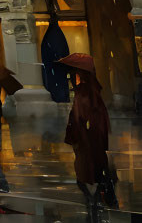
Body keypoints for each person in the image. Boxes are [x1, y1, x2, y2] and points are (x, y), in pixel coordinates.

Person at [61, 54, 116, 218]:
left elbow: (81, 117)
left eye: (73, 73)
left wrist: (78, 133)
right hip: (91, 139)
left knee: (86, 173)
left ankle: (94, 199)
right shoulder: (90, 90)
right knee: (92, 172)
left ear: (81, 74)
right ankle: (95, 198)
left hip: (87, 139)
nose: (71, 76)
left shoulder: (84, 92)